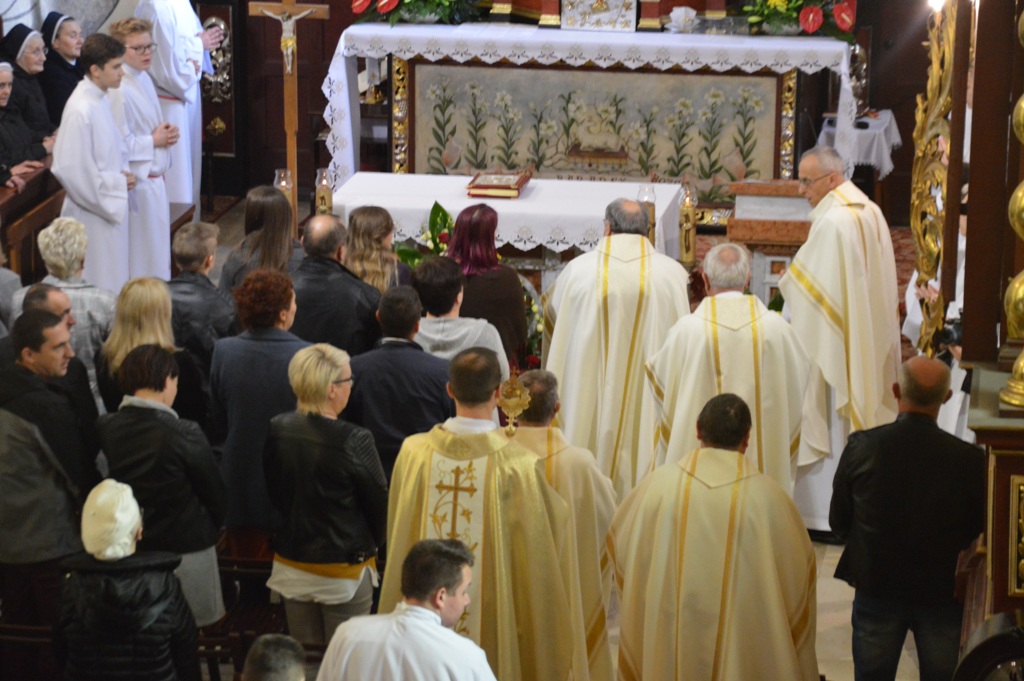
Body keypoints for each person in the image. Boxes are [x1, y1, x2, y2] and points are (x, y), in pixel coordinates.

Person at [381, 347, 594, 681]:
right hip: (492, 625)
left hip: (420, 618)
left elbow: (398, 528)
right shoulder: (518, 465)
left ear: (449, 390)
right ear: (498, 394)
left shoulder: (413, 453)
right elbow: (540, 550)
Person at [608, 394, 819, 681]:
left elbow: (621, 545)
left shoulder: (656, 489)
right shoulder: (771, 501)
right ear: (747, 438)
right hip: (744, 653)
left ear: (698, 430)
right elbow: (798, 576)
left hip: (668, 648)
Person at [830, 356, 985, 681]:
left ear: (896, 390)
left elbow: (839, 521)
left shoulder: (863, 447)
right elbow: (977, 529)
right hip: (941, 592)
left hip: (877, 585)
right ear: (946, 397)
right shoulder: (969, 460)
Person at [778, 145, 900, 530]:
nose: (802, 190)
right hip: (865, 331)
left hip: (834, 344)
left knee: (830, 413)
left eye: (807, 182)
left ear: (832, 179)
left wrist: (786, 299)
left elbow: (809, 296)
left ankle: (821, 514)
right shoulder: (869, 209)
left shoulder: (833, 222)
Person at [543, 197, 690, 497]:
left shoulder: (577, 271)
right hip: (647, 399)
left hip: (587, 392)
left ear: (607, 228)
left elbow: (554, 320)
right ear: (647, 230)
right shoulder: (672, 275)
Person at [644, 242, 811, 495]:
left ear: (705, 280)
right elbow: (798, 382)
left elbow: (661, 388)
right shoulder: (777, 331)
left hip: (695, 479)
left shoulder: (686, 331)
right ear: (747, 279)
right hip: (760, 482)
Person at [264, 343, 389, 646]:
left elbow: (275, 493)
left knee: (305, 658)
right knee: (345, 660)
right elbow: (380, 506)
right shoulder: (355, 439)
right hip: (343, 571)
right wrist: (372, 546)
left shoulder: (277, 428)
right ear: (332, 389)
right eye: (348, 380)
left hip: (292, 564)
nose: (351, 386)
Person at [0, 309, 101, 680]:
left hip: (7, 549)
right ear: (28, 354)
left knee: (17, 645)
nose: (70, 354)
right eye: (59, 347)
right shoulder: (43, 407)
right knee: (60, 649)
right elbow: (80, 476)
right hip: (51, 549)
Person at [97, 344, 228, 627]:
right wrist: (213, 525)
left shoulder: (107, 427)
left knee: (150, 629)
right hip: (188, 547)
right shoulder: (184, 432)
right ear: (168, 380)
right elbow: (214, 493)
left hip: (136, 547)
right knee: (194, 629)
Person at [512, 369, 616, 681]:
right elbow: (609, 515)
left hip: (512, 582)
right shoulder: (579, 463)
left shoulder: (498, 457)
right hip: (564, 583)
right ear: (556, 409)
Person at [54, 479, 201, 681]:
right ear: (138, 532)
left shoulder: (70, 588)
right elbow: (186, 656)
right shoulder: (166, 586)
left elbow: (60, 654)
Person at [210, 269, 309, 556]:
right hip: (292, 479)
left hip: (240, 478)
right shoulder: (307, 355)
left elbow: (217, 420)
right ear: (282, 313)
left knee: (246, 564)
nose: (296, 307)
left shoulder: (224, 351)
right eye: (293, 302)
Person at [317, 539, 497, 681]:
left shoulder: (348, 634)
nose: (467, 600)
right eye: (463, 592)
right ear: (441, 596)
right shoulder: (467, 657)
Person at [52, 33, 136, 295]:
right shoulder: (80, 109)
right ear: (95, 70)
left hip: (106, 209)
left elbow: (109, 151)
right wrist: (116, 184)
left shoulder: (99, 99)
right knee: (100, 282)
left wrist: (122, 174)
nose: (122, 72)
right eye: (116, 66)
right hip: (91, 215)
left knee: (114, 279)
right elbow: (68, 169)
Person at [345, 285, 454, 479]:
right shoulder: (442, 372)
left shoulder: (353, 368)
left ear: (378, 317)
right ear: (418, 325)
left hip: (368, 475)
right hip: (423, 474)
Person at [10, 218, 117, 406]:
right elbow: (114, 363)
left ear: (45, 258)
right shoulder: (105, 302)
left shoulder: (20, 298)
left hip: (34, 400)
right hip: (92, 402)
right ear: (82, 258)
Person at [109, 17, 181, 281]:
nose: (146, 53)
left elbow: (149, 128)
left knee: (158, 257)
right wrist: (154, 140)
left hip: (155, 181)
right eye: (138, 48)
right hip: (138, 186)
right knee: (144, 260)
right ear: (120, 50)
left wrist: (165, 133)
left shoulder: (144, 78)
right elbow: (118, 145)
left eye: (149, 46)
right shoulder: (118, 88)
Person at [135, 0, 223, 207]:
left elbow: (189, 39)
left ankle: (191, 219)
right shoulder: (155, 7)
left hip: (186, 93)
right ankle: (177, 221)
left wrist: (201, 42)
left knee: (190, 168)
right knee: (177, 175)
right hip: (169, 100)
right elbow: (164, 64)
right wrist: (198, 46)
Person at [95, 277, 207, 426]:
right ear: (164, 313)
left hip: (120, 438)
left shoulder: (104, 359)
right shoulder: (179, 363)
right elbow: (196, 417)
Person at [290, 214, 382, 355]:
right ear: (341, 251)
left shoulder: (280, 290)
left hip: (291, 367)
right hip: (345, 368)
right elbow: (373, 351)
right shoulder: (367, 296)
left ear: (302, 243)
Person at [448, 203, 527, 365]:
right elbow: (520, 333)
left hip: (445, 361)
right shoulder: (507, 277)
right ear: (490, 237)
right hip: (492, 364)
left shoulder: (441, 274)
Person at [411, 256, 509, 380]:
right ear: (458, 296)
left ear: (419, 298)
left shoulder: (408, 332)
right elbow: (503, 378)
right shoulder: (484, 332)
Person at [168, 221, 238, 377]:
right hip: (205, 387)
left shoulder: (157, 297)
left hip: (162, 382)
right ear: (209, 260)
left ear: (177, 260)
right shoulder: (224, 305)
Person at [219, 185, 303, 294]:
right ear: (286, 216)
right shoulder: (302, 257)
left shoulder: (237, 257)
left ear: (251, 217)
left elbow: (223, 298)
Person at [0, 24, 57, 137]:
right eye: (36, 52)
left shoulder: (31, 77)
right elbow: (19, 132)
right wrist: (47, 140)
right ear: (18, 54)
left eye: (43, 50)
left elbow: (40, 122)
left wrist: (54, 130)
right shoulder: (12, 85)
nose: (43, 58)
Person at [0, 62, 48, 192]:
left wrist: (43, 138)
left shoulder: (11, 111)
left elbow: (23, 138)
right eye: (1, 86)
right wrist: (4, 172)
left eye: (10, 85)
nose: (6, 91)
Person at [344, 205, 410, 293]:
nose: (392, 233)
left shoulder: (340, 268)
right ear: (380, 236)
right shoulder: (399, 272)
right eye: (391, 229)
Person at [38, 12, 84, 126]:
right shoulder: (51, 74)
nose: (80, 41)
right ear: (55, 42)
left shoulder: (84, 62)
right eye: (73, 36)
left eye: (80, 35)